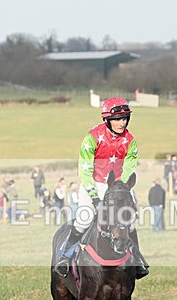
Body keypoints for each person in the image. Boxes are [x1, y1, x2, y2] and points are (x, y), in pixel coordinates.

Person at [54, 97, 148, 279]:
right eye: (118, 119)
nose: (123, 122)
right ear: (107, 119)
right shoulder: (92, 137)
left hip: (119, 187)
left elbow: (129, 168)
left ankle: (136, 259)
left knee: (129, 220)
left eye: (125, 118)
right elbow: (85, 169)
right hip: (94, 183)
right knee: (84, 218)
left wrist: (124, 188)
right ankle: (65, 257)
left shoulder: (130, 140)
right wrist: (95, 197)